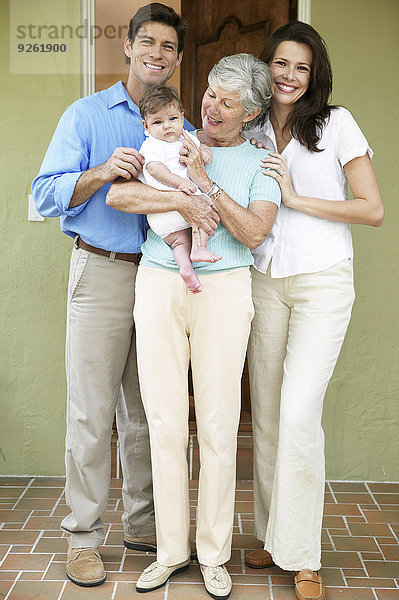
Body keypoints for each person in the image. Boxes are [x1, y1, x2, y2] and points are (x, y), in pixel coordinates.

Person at [31, 3, 219, 588]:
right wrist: (100, 172)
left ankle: (147, 527)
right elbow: (43, 196)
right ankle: (84, 537)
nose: (157, 54)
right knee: (91, 409)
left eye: (169, 46)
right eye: (148, 42)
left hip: (164, 275)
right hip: (104, 271)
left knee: (151, 411)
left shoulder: (184, 131)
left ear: (179, 58)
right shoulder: (86, 116)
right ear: (129, 48)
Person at [106, 53, 281, 600]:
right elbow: (120, 194)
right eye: (209, 93)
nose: (210, 106)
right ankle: (169, 552)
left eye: (227, 102)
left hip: (225, 290)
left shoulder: (261, 162)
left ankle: (212, 554)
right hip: (159, 282)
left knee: (218, 424)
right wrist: (182, 195)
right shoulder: (166, 139)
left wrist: (206, 182)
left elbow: (254, 232)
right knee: (162, 419)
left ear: (251, 114)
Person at [244, 21, 384, 600]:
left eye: (302, 68)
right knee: (270, 416)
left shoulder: (336, 124)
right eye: (281, 63)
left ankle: (302, 553)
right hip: (263, 280)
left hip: (322, 283)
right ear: (267, 64)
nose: (290, 76)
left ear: (314, 75)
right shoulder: (249, 127)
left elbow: (371, 209)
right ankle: (274, 537)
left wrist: (295, 197)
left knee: (300, 414)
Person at [139, 85, 220, 293]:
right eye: (158, 122)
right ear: (146, 127)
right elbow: (155, 169)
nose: (167, 126)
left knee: (179, 242)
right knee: (207, 209)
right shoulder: (152, 145)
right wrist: (178, 182)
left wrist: (205, 152)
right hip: (166, 208)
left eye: (172, 119)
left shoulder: (186, 137)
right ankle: (200, 248)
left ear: (182, 118)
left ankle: (186, 268)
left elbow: (201, 147)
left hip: (167, 222)